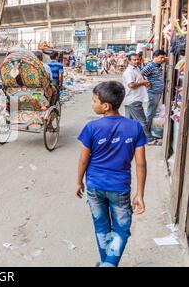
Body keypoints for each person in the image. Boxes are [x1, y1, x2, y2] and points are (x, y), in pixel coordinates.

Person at [76, 81, 147, 267]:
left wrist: (79, 182)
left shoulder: (91, 128)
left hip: (94, 185)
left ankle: (106, 262)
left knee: (101, 227)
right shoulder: (135, 127)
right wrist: (140, 194)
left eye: (94, 101)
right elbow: (141, 163)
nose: (92, 104)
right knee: (121, 229)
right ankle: (109, 262)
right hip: (119, 187)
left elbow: (83, 160)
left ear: (105, 106)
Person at [122, 53, 153, 142]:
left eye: (138, 59)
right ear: (129, 61)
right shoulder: (129, 72)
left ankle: (128, 138)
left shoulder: (136, 69)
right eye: (134, 60)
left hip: (132, 99)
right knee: (142, 121)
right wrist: (143, 83)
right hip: (133, 99)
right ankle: (149, 139)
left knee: (129, 121)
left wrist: (145, 83)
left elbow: (137, 81)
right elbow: (131, 85)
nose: (137, 61)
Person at [141, 49, 167, 145]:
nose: (163, 59)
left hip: (157, 93)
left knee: (151, 114)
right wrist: (146, 83)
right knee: (149, 114)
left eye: (163, 57)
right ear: (155, 57)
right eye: (161, 57)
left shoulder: (158, 65)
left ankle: (147, 133)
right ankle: (145, 135)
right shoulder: (150, 66)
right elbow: (141, 74)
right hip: (152, 93)